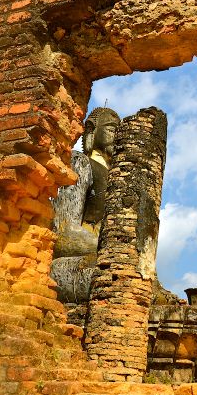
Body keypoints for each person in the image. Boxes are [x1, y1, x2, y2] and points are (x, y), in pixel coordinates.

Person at [49, 107, 120, 312]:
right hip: (70, 263)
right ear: (91, 130)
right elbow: (64, 233)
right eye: (112, 130)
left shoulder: (117, 180)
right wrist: (110, 251)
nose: (118, 138)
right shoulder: (79, 162)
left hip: (103, 257)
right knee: (113, 277)